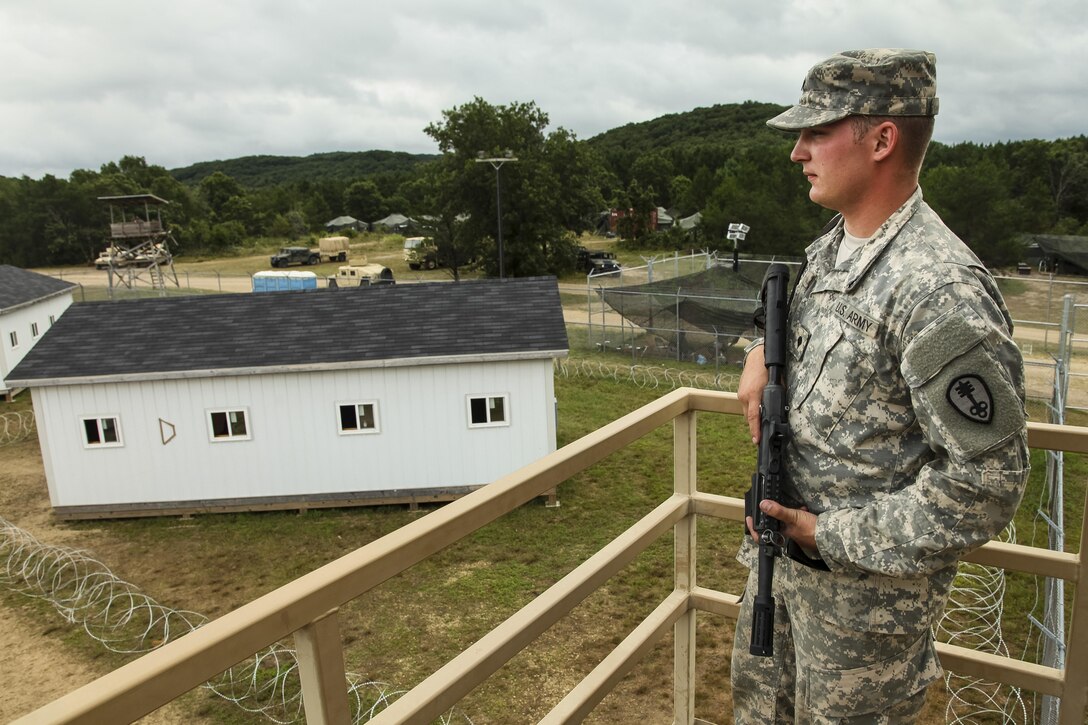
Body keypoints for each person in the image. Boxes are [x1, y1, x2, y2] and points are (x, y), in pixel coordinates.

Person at [731, 49, 1030, 723]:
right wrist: (757, 348)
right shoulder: (833, 249)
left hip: (862, 627)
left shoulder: (937, 289)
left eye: (817, 132)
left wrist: (829, 533)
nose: (797, 151)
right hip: (779, 589)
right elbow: (795, 331)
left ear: (883, 139)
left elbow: (989, 484)